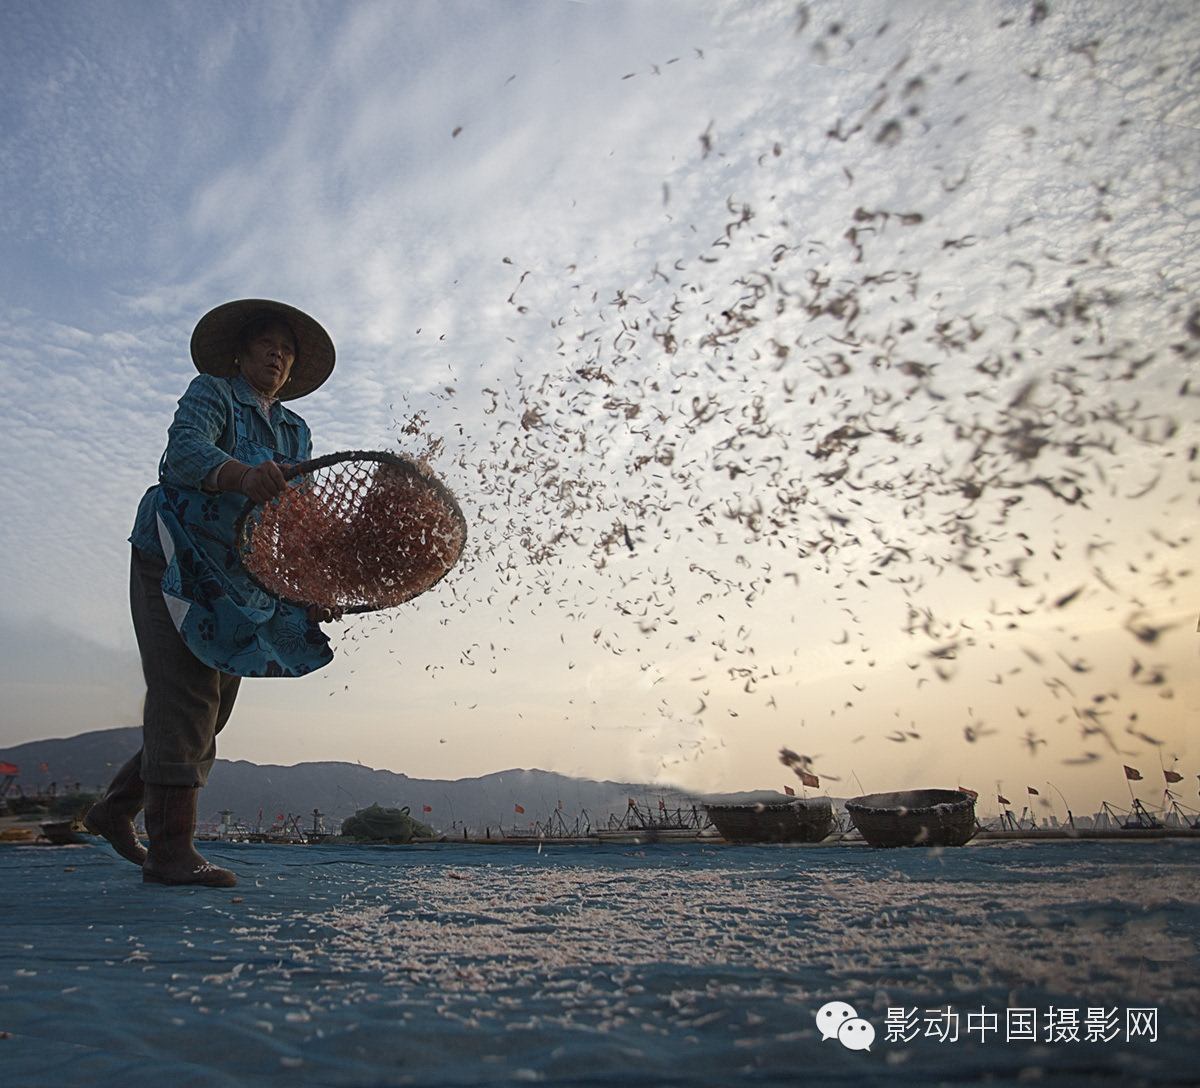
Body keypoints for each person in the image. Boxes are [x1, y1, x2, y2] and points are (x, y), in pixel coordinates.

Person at [86, 299, 339, 887]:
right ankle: (171, 852)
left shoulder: (294, 431)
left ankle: (115, 809)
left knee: (216, 704)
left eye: (287, 350)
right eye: (266, 345)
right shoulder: (213, 393)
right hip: (172, 552)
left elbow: (290, 522)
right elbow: (186, 454)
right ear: (240, 353)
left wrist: (307, 588)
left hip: (235, 573)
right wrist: (242, 475)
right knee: (188, 691)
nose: (277, 356)